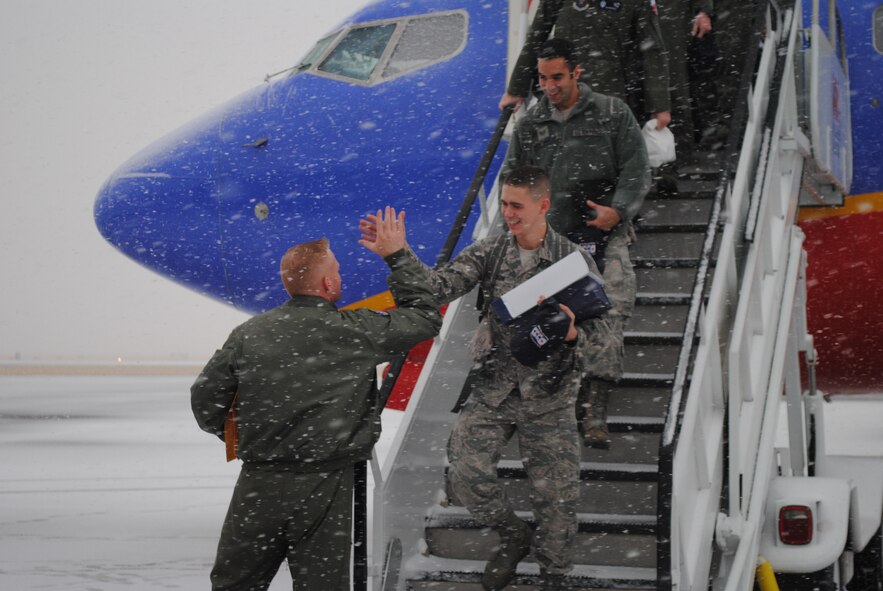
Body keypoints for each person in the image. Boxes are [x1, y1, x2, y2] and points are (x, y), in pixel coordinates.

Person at [360, 166, 615, 591]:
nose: (509, 213)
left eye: (517, 205)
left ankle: (554, 576)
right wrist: (398, 255)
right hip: (495, 389)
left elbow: (604, 340)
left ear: (543, 206)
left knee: (556, 499)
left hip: (550, 396)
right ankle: (513, 534)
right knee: (465, 475)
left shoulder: (573, 261)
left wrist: (573, 336)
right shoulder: (491, 252)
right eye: (505, 204)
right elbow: (438, 288)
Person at [191, 225, 442, 591]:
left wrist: (245, 436)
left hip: (258, 482)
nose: (340, 277)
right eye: (336, 270)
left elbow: (206, 400)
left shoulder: (250, 333)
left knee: (235, 582)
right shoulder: (356, 331)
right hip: (326, 483)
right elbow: (425, 317)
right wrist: (397, 256)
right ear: (327, 285)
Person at [500, 38, 651, 449]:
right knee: (542, 319)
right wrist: (515, 226)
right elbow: (512, 176)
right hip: (550, 239)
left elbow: (636, 168)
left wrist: (618, 210)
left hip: (603, 233)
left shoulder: (611, 113)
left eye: (557, 78)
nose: (549, 87)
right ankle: (552, 405)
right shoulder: (531, 124)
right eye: (543, 78)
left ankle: (595, 409)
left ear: (577, 72)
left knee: (611, 310)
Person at [499, 0, 671, 131]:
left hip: (613, 98)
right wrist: (516, 89)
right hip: (564, 95)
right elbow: (536, 39)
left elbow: (651, 51)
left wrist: (659, 105)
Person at [657, 1, 714, 153]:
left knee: (675, 82)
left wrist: (703, 10)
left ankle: (680, 147)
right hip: (639, 16)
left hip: (670, 16)